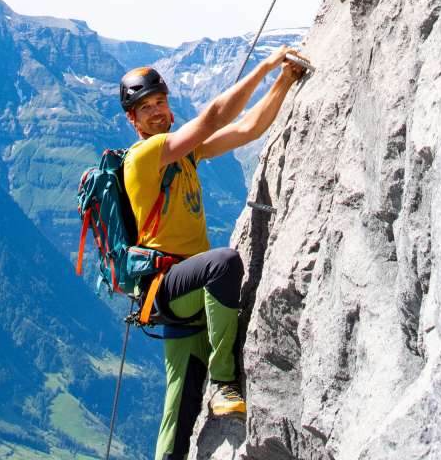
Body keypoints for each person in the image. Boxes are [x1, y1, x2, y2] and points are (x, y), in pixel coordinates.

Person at [118, 48, 313, 457]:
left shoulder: (185, 155)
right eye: (145, 108)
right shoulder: (142, 157)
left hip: (186, 297)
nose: (156, 112)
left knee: (177, 418)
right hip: (169, 287)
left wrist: (284, 81)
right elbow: (213, 119)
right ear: (132, 121)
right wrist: (264, 66)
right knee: (224, 263)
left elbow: (246, 130)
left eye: (160, 103)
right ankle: (224, 383)